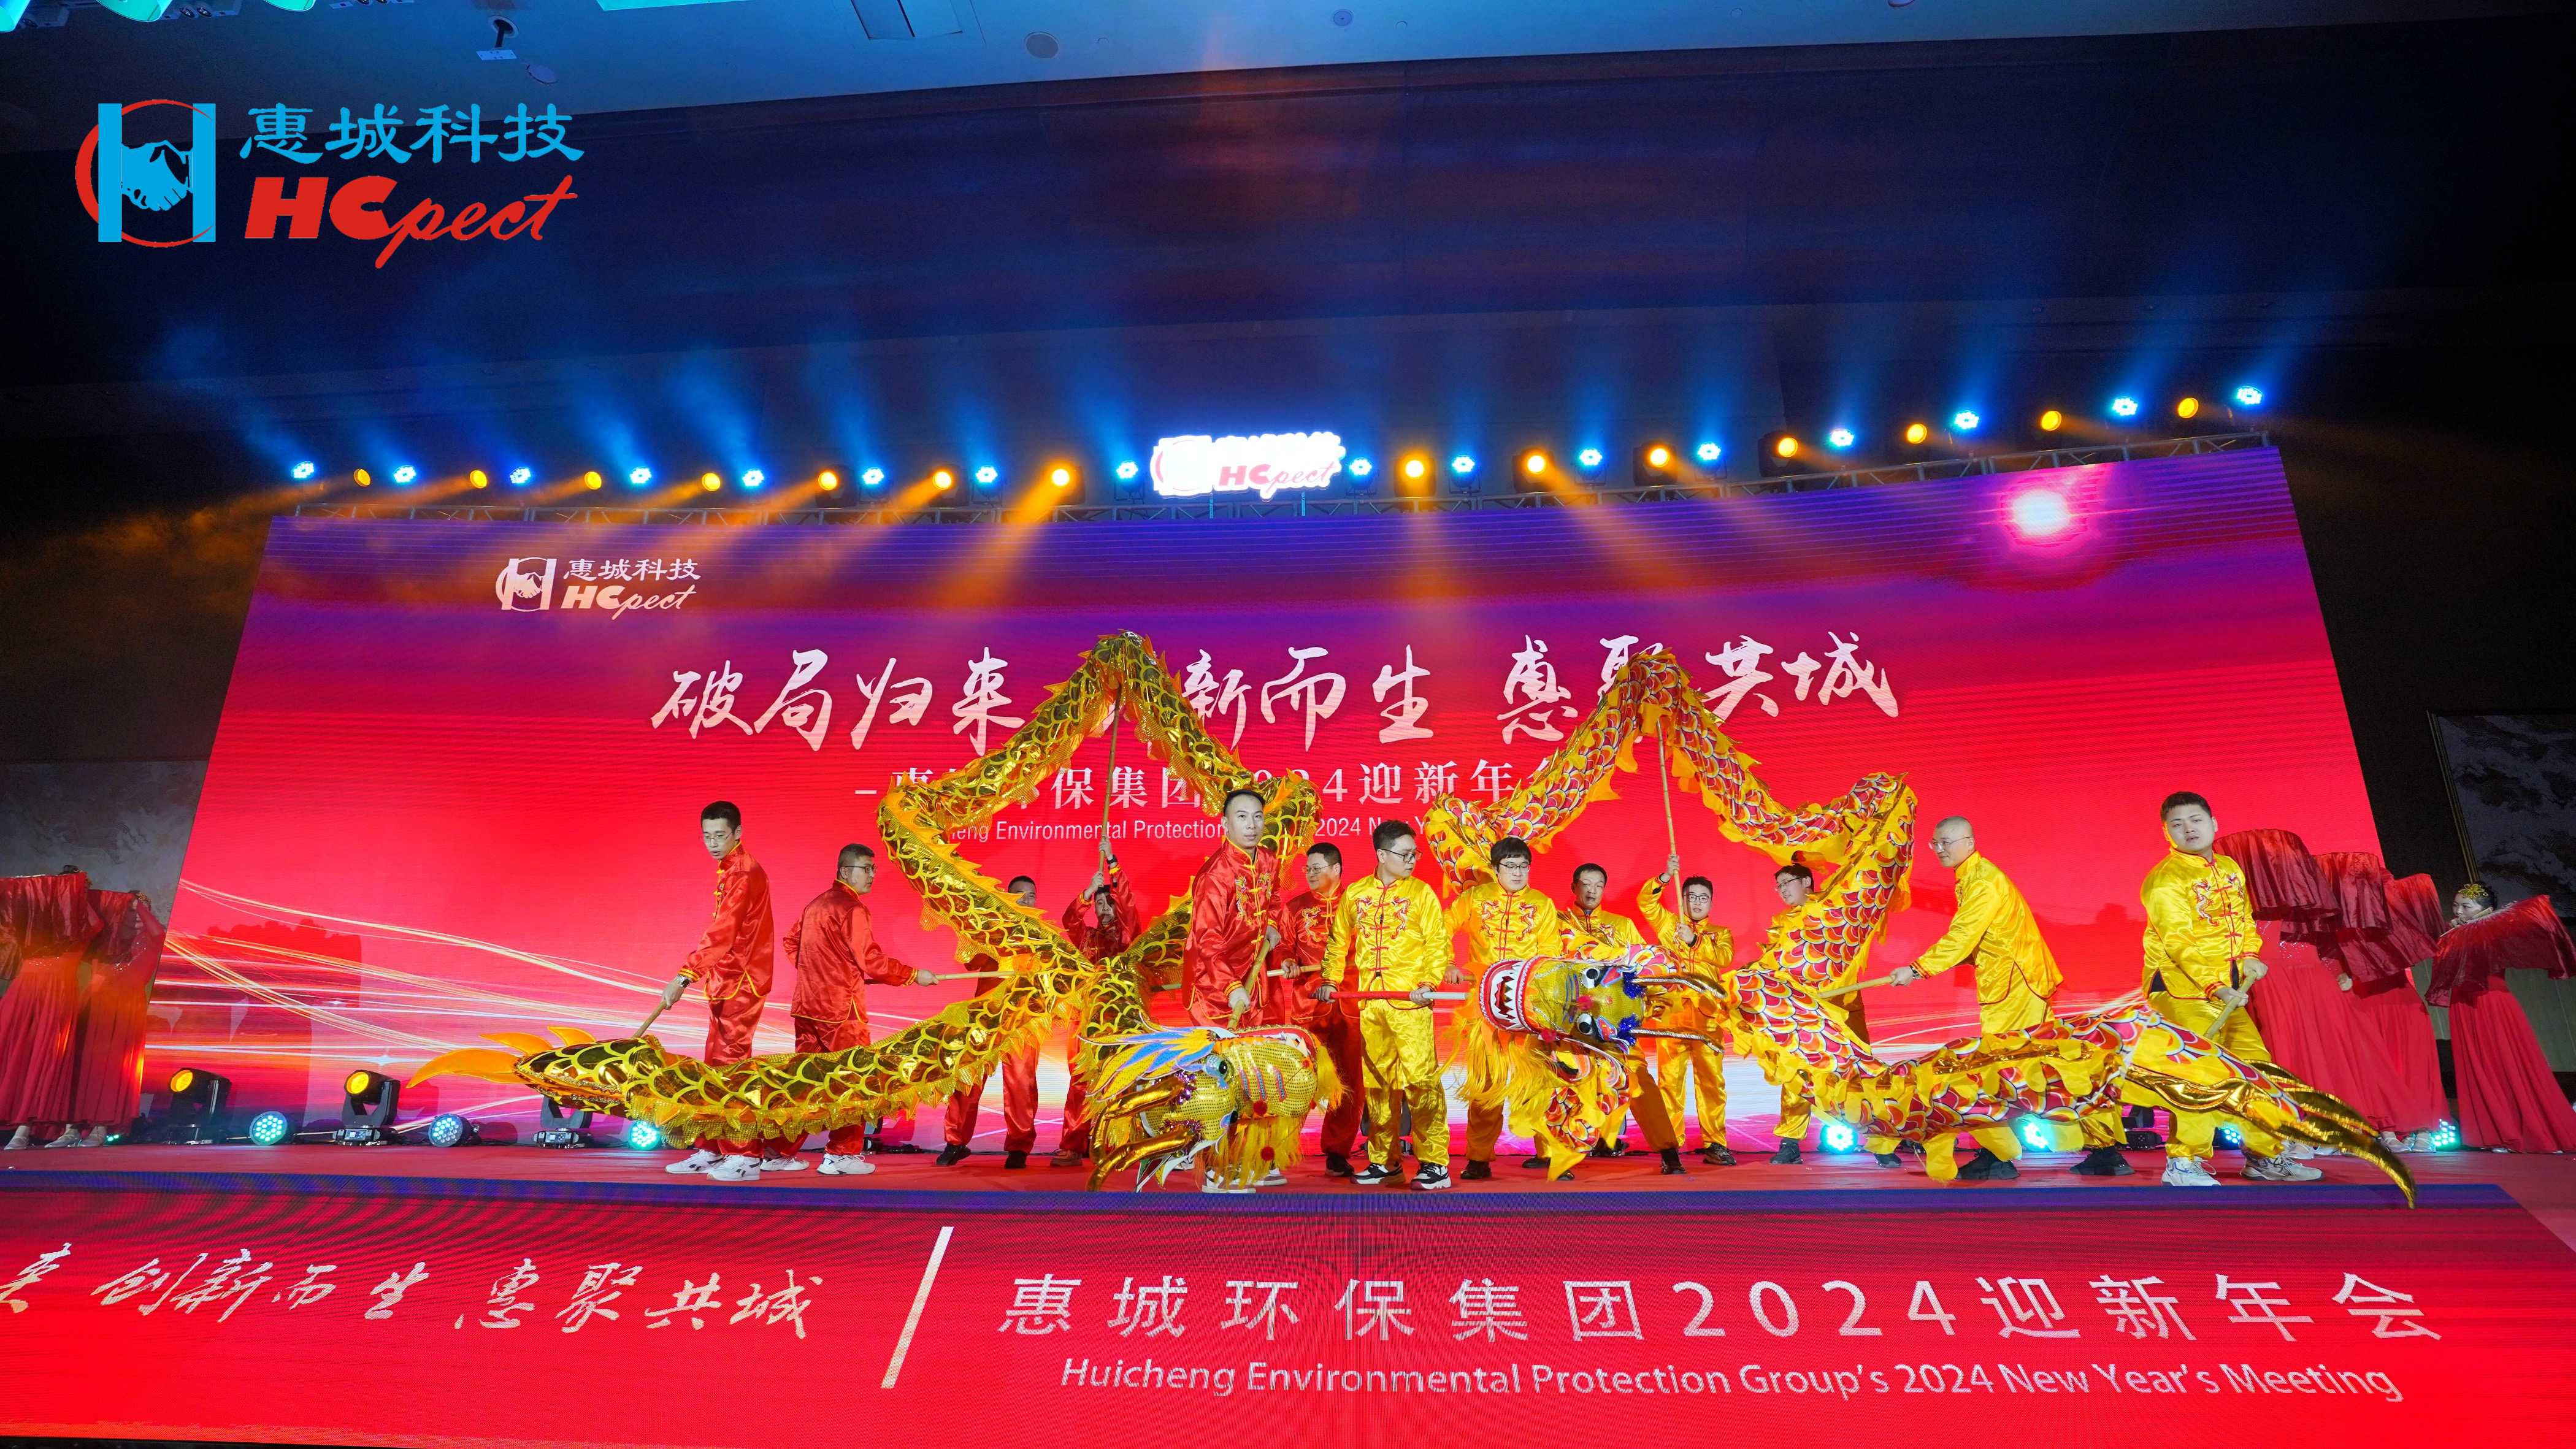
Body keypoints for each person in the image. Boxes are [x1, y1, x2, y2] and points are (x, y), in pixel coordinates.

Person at [1890, 816, 2130, 1178]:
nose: (1940, 849)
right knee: (2054, 1068)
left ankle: (1999, 1157)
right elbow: (1983, 939)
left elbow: (1962, 937)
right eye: (1935, 843)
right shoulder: (1972, 877)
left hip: (2015, 986)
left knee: (1999, 1069)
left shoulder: (1983, 882)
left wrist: (1917, 969)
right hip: (2017, 982)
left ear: (1970, 842)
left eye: (1946, 842)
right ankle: (2105, 1151)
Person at [2139, 792, 2322, 1187]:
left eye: (2196, 820)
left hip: (2228, 990)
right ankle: (2183, 1162)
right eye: (2177, 824)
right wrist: (2216, 985)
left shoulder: (2228, 867)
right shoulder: (2165, 878)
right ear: (2166, 833)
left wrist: (2251, 954)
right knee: (2200, 1075)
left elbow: (2243, 919)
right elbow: (2178, 942)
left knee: (2256, 1069)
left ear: (2213, 823)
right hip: (2183, 989)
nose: (2189, 829)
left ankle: (2264, 1154)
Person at [650, 803, 792, 1183]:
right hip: (726, 980)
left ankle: (744, 1155)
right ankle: (712, 1147)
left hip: (743, 981)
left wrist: (684, 977)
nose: (713, 843)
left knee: (732, 1071)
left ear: (738, 833)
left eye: (720, 836)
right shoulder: (731, 869)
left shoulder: (744, 873)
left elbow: (723, 933)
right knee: (713, 1069)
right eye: (707, 836)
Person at [1322, 819, 1455, 1190]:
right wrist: (1330, 979)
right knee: (1378, 1084)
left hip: (1410, 1003)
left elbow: (1437, 943)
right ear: (1382, 855)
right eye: (1405, 854)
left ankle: (1435, 1163)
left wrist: (1428, 984)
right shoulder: (1356, 893)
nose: (1412, 860)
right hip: (1371, 1002)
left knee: (1421, 1082)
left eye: (1415, 854)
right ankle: (1384, 1160)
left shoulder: (1422, 894)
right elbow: (1338, 941)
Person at [780, 844, 925, 1177]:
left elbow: (791, 943)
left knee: (805, 1083)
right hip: (841, 1011)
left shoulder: (816, 904)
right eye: (866, 868)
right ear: (846, 871)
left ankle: (778, 1151)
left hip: (807, 1007)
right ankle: (841, 1154)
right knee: (855, 1081)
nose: (872, 875)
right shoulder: (853, 909)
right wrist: (913, 975)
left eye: (874, 869)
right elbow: (871, 961)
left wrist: (821, 972)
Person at [1446, 837, 1579, 1180]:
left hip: (1529, 1007)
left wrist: (1549, 1005)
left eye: (1524, 866)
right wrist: (1448, 964)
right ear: (1495, 869)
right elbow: (1440, 929)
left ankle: (1552, 1154)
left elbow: (1551, 955)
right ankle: (1479, 1158)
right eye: (1510, 866)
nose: (1518, 872)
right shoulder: (1475, 899)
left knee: (1539, 1081)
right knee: (1485, 1083)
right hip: (1484, 1006)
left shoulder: (1542, 904)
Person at [1760, 860, 1897, 1165]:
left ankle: (1882, 1144)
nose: (1782, 890)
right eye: (1778, 886)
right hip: (1806, 1010)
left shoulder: (1834, 908)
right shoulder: (1780, 923)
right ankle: (1790, 1142)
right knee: (1797, 1074)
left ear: (1807, 882)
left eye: (1787, 883)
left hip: (1844, 1005)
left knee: (1859, 1075)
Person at [2434, 884, 2576, 1153]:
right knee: (2479, 1066)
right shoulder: (2452, 933)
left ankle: (2531, 1132)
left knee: (2506, 1063)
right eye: (2456, 906)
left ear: (2487, 910)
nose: (2459, 911)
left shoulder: (2494, 930)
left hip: (2492, 1003)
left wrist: (2488, 921)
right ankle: (2495, 1133)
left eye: (2466, 907)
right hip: (2462, 1006)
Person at [1636, 854, 1737, 1166]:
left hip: (1708, 1015)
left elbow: (1724, 957)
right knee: (1669, 1080)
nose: (1697, 902)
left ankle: (1716, 1143)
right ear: (1682, 899)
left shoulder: (1721, 933)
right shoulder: (1670, 924)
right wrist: (1666, 876)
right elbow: (1646, 903)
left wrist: (1694, 941)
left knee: (1712, 1081)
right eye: (1691, 897)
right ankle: (1671, 1146)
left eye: (1703, 898)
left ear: (1712, 903)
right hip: (1672, 1012)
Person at [1273, 842, 1365, 1177]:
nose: (1310, 874)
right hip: (1308, 1006)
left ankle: (1338, 1151)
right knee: (1297, 1079)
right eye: (1307, 869)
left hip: (1350, 1003)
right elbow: (1283, 944)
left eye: (1317, 868)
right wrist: (1286, 960)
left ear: (1336, 869)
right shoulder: (1296, 907)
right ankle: (1277, 1149)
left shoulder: (1358, 904)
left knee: (1350, 1082)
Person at [1052, 841, 1146, 1168]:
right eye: (1099, 903)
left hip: (1121, 1018)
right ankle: (1073, 1144)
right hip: (1087, 1017)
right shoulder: (1088, 938)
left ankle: (1115, 1143)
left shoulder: (1128, 935)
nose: (1104, 907)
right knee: (1081, 1078)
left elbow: (1129, 906)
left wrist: (1113, 863)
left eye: (1109, 902)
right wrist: (1087, 892)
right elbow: (1069, 921)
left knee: (1120, 1077)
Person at [940, 873, 1041, 1169]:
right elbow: (970, 962)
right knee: (967, 1077)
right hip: (985, 1017)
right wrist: (981, 928)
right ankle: (955, 1142)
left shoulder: (1043, 935)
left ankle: (1019, 1147)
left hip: (1024, 1018)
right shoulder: (991, 928)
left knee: (1021, 1083)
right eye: (1019, 895)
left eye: (1031, 896)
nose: (1026, 901)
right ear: (1006, 897)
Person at [1560, 862, 1650, 1155]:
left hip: (1611, 1015)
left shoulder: (1622, 925)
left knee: (1617, 1075)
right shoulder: (1559, 923)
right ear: (1574, 887)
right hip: (1571, 1014)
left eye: (1599, 885)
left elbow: (1641, 965)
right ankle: (1566, 1141)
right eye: (1586, 884)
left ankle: (1608, 1139)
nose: (1592, 891)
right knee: (1570, 1074)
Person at [1183, 789, 1287, 1029]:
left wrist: (1271, 924)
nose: (1252, 825)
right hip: (1215, 984)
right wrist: (1230, 986)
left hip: (1255, 972)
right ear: (1225, 824)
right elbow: (1207, 939)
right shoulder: (1215, 877)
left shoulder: (1268, 860)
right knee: (1225, 1050)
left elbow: (1273, 897)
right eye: (1242, 817)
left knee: (1263, 1045)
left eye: (1258, 817)